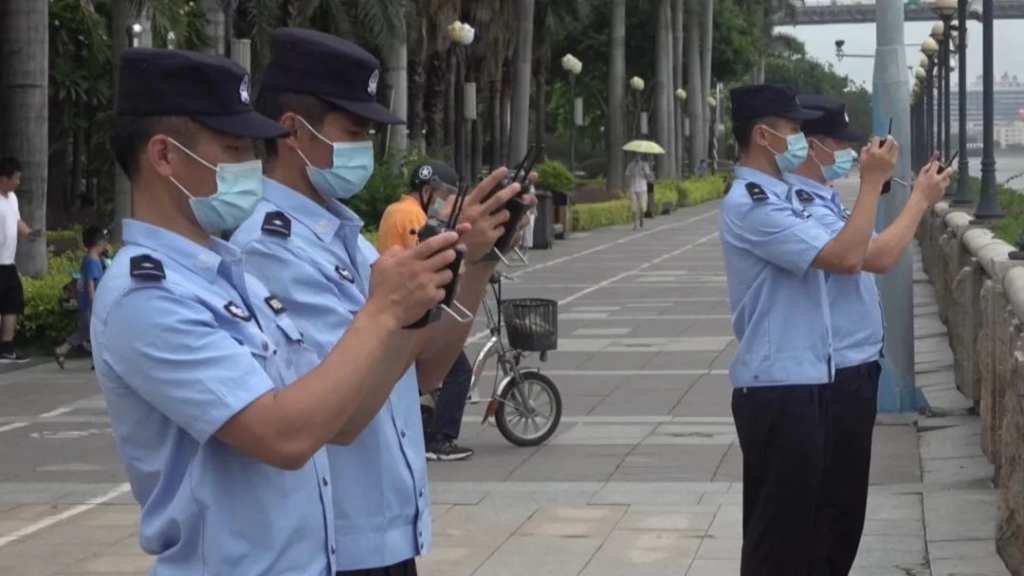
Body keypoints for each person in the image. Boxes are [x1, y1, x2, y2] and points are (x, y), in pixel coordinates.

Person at [92, 47, 461, 575]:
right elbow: (284, 437)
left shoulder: (226, 274)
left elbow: (345, 420)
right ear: (164, 156)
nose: (252, 163)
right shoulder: (146, 296)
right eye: (234, 147)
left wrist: (415, 306)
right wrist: (381, 313)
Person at [228, 28, 532, 576]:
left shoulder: (347, 238)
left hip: (387, 535)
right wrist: (411, 298)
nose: (363, 147)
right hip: (332, 542)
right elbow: (340, 412)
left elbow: (423, 370)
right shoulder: (266, 249)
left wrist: (476, 263)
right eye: (353, 131)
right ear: (293, 130)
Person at [718, 83, 898, 576]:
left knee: (824, 532)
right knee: (780, 542)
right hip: (779, 387)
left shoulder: (786, 197)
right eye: (794, 130)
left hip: (812, 380)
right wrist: (868, 184)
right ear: (763, 135)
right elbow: (846, 258)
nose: (802, 139)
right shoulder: (753, 203)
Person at [782, 94, 952, 575]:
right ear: (812, 146)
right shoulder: (798, 204)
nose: (849, 152)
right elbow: (871, 258)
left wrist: (900, 192)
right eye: (839, 142)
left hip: (850, 370)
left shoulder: (822, 200)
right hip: (834, 376)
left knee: (841, 511)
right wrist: (917, 199)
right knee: (830, 516)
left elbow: (872, 248)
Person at [377, 159, 475, 462]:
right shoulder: (409, 215)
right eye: (442, 193)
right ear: (426, 190)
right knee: (458, 370)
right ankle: (441, 439)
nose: (445, 201)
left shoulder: (402, 210)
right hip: (410, 310)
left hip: (406, 306)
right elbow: (423, 258)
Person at [0, 157, 40, 362]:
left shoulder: (12, 198)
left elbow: (16, 220)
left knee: (12, 303)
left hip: (8, 262)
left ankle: (6, 346)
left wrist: (29, 233)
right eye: (15, 178)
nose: (18, 182)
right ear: (3, 178)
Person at [54, 225, 107, 368]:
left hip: (86, 305)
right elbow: (90, 282)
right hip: (90, 305)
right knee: (95, 333)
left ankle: (61, 350)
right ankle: (96, 362)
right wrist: (94, 302)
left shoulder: (90, 259)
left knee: (85, 332)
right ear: (100, 242)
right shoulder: (92, 261)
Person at [624, 154, 652, 230]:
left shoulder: (644, 165)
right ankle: (635, 224)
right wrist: (626, 186)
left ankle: (641, 218)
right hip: (633, 187)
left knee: (643, 207)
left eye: (638, 156)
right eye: (635, 156)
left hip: (642, 188)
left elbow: (648, 177)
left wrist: (645, 172)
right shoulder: (630, 165)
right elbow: (627, 175)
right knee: (634, 207)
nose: (637, 157)